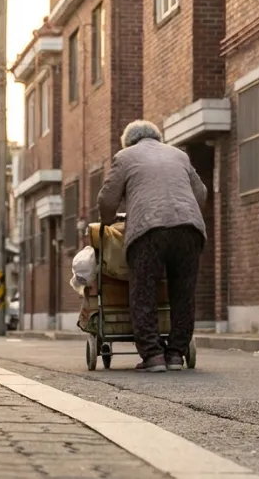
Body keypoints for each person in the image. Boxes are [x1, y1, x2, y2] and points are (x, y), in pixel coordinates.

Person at [97, 120, 207, 373]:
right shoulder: (179, 155)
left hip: (149, 230)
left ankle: (153, 355)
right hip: (189, 229)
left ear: (128, 141)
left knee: (143, 290)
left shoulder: (124, 157)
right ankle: (176, 354)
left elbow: (107, 197)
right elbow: (200, 193)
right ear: (157, 137)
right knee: (183, 291)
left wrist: (107, 220)